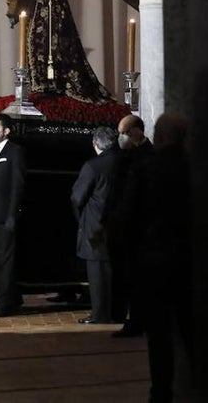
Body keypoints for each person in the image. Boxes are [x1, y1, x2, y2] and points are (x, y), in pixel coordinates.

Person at [131, 113, 193, 403]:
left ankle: (161, 393)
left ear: (162, 135)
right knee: (192, 329)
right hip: (190, 261)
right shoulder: (197, 169)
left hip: (154, 260)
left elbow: (129, 217)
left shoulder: (147, 168)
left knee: (158, 336)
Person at [106, 114, 153, 337]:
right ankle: (124, 315)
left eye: (124, 133)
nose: (121, 137)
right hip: (120, 225)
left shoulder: (149, 156)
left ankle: (137, 321)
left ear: (137, 132)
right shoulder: (122, 154)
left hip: (138, 228)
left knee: (137, 279)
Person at [71, 125, 119, 324]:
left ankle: (100, 313)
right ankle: (116, 312)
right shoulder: (123, 162)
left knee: (97, 272)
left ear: (95, 143)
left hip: (95, 224)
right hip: (118, 223)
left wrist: (80, 217)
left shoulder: (93, 166)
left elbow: (77, 197)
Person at [0, 113, 27, 317]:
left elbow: (17, 185)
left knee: (5, 259)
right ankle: (12, 295)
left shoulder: (15, 151)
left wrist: (11, 215)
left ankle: (5, 302)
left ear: (6, 131)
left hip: (5, 216)